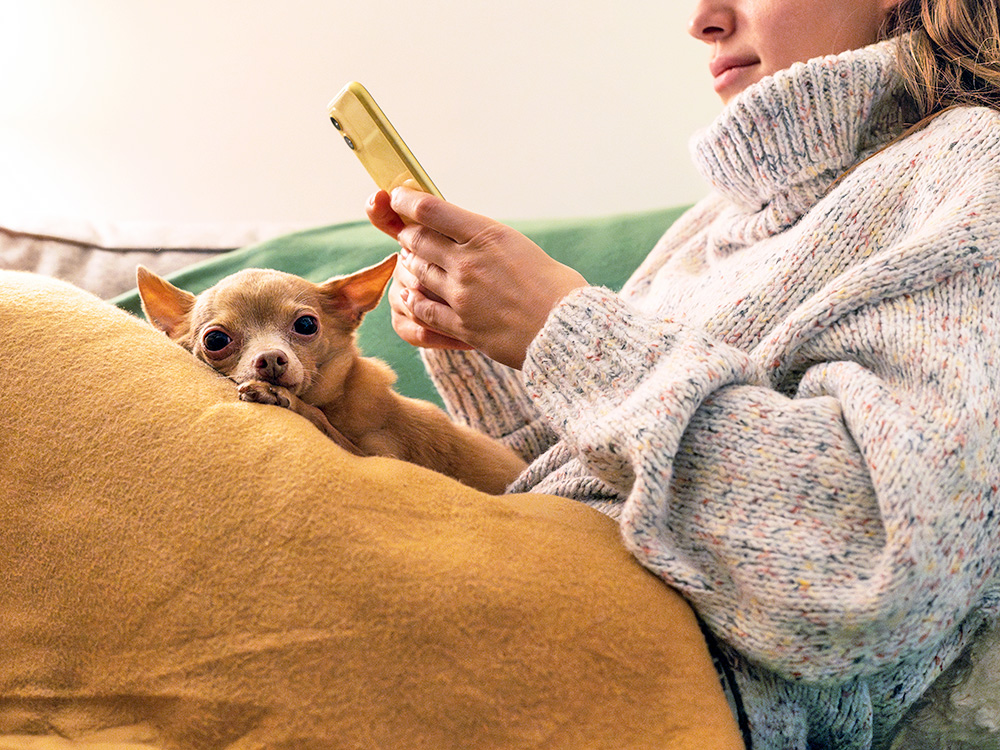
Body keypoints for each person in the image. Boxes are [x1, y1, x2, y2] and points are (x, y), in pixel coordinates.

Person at [366, 0, 1000, 747]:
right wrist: (484, 334)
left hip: (637, 672)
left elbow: (873, 559)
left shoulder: (974, 168)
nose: (702, 18)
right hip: (529, 605)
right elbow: (601, 471)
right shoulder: (716, 219)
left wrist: (561, 331)